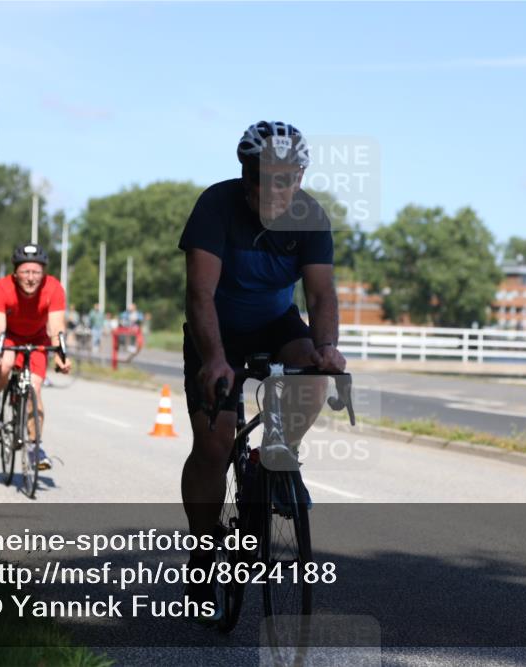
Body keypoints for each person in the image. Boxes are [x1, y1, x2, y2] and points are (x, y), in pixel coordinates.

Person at [178, 120, 346, 615]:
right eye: (263, 178)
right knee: (212, 443)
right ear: (245, 175)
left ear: (299, 176)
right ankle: (205, 551)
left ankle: (273, 455)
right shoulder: (216, 205)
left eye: (287, 178)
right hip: (216, 331)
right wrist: (213, 359)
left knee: (314, 373)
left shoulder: (311, 216)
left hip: (276, 324)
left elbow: (320, 293)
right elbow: (200, 293)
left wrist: (329, 346)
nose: (275, 191)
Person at [0, 243, 72, 470]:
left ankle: (34, 447)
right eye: (25, 272)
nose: (31, 278)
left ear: (44, 273)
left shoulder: (54, 288)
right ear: (15, 273)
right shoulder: (0, 289)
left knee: (35, 389)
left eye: (36, 272)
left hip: (37, 338)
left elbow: (56, 326)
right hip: (9, 335)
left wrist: (61, 355)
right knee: (3, 366)